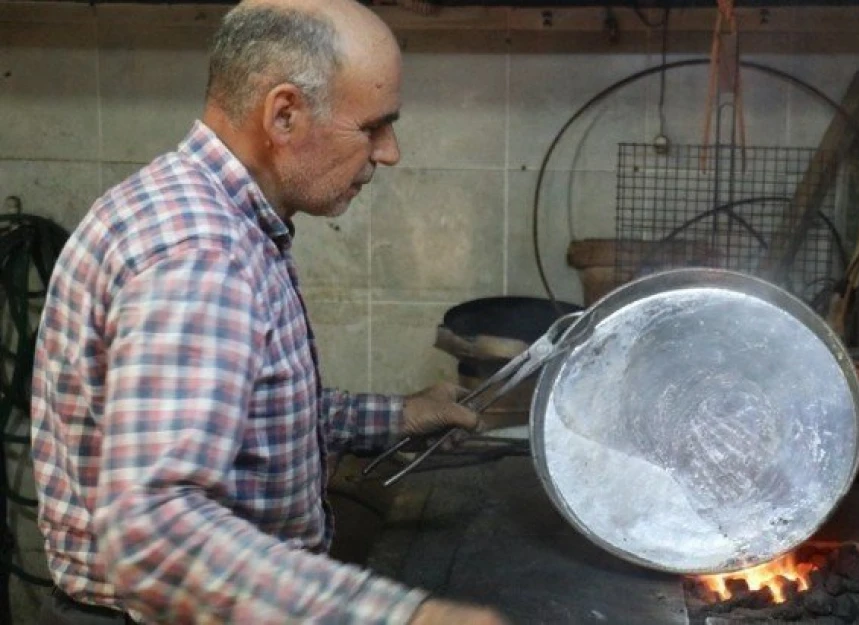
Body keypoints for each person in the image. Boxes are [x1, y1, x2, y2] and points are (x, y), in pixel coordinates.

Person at [30, 0, 507, 623]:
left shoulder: (206, 213)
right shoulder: (201, 254)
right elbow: (152, 533)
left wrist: (396, 416)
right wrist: (403, 618)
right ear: (283, 114)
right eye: (373, 127)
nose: (388, 153)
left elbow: (252, 413)